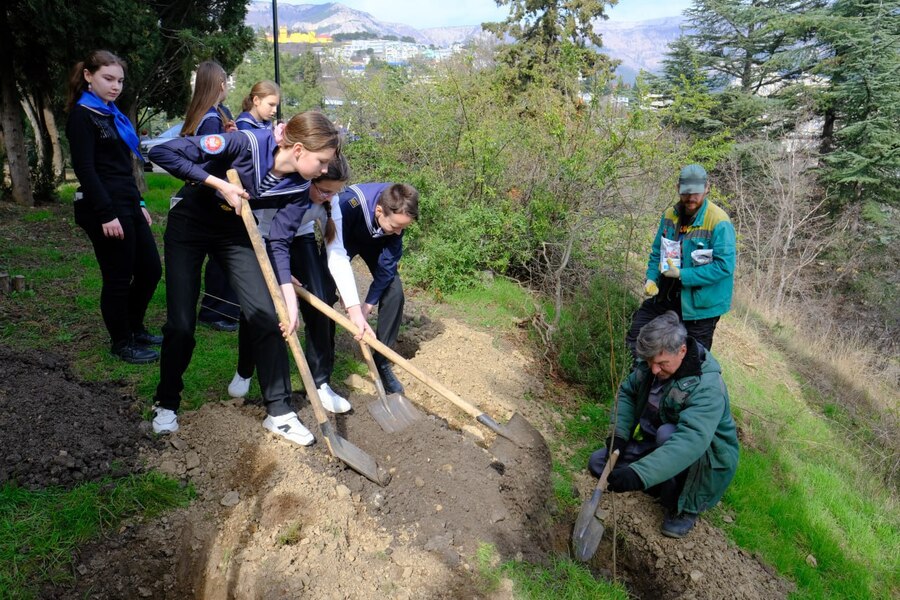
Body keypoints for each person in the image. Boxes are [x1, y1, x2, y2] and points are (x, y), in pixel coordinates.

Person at [148, 110, 341, 446]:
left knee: (267, 315)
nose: (325, 170)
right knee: (181, 325)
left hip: (236, 233)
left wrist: (287, 300)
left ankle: (279, 412)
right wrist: (218, 183)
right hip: (189, 225)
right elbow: (162, 152)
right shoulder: (244, 143)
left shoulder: (299, 187)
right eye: (322, 161)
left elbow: (279, 241)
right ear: (298, 150)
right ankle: (166, 402)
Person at [228, 154, 375, 413]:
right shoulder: (277, 190)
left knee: (320, 300)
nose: (330, 197)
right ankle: (245, 370)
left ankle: (320, 383)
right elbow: (255, 229)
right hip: (262, 239)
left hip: (301, 237)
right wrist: (277, 272)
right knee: (260, 306)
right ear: (307, 178)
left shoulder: (332, 200)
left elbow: (337, 254)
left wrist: (354, 310)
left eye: (335, 192)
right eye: (325, 191)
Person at [589, 311, 739, 538]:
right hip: (658, 442)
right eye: (650, 362)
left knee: (667, 435)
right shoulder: (653, 364)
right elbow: (628, 393)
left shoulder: (708, 388)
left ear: (682, 350)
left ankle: (684, 506)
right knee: (598, 463)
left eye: (661, 363)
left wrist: (638, 475)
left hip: (701, 464)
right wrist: (619, 435)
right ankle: (657, 479)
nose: (654, 370)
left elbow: (690, 442)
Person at [65, 50, 162, 365]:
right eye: (108, 78)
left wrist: (141, 202)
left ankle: (135, 327)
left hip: (127, 202)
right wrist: (107, 213)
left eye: (120, 80)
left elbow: (124, 167)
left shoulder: (112, 113)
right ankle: (121, 342)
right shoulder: (82, 115)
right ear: (88, 76)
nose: (116, 85)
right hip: (103, 207)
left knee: (150, 270)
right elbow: (86, 170)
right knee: (119, 277)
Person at [626, 164, 736, 356]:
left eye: (696, 193)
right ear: (678, 189)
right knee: (637, 338)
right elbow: (656, 252)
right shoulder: (670, 215)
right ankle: (638, 383)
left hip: (701, 309)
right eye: (686, 192)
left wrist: (683, 274)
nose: (691, 198)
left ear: (707, 188)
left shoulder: (719, 222)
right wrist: (651, 278)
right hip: (667, 296)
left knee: (690, 360)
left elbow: (724, 267)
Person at [336, 183, 419, 393]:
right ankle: (324, 360)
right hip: (345, 238)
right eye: (396, 226)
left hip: (377, 243)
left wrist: (367, 305)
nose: (399, 232)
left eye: (403, 228)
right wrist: (344, 292)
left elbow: (386, 268)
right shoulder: (349, 204)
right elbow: (333, 251)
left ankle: (382, 361)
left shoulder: (398, 218)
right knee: (323, 288)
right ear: (379, 210)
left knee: (394, 292)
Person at [180, 60, 241, 333]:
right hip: (213, 194)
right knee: (222, 255)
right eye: (225, 81)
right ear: (219, 84)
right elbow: (210, 159)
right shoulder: (212, 118)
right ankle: (214, 311)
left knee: (220, 255)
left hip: (208, 193)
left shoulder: (208, 113)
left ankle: (217, 309)